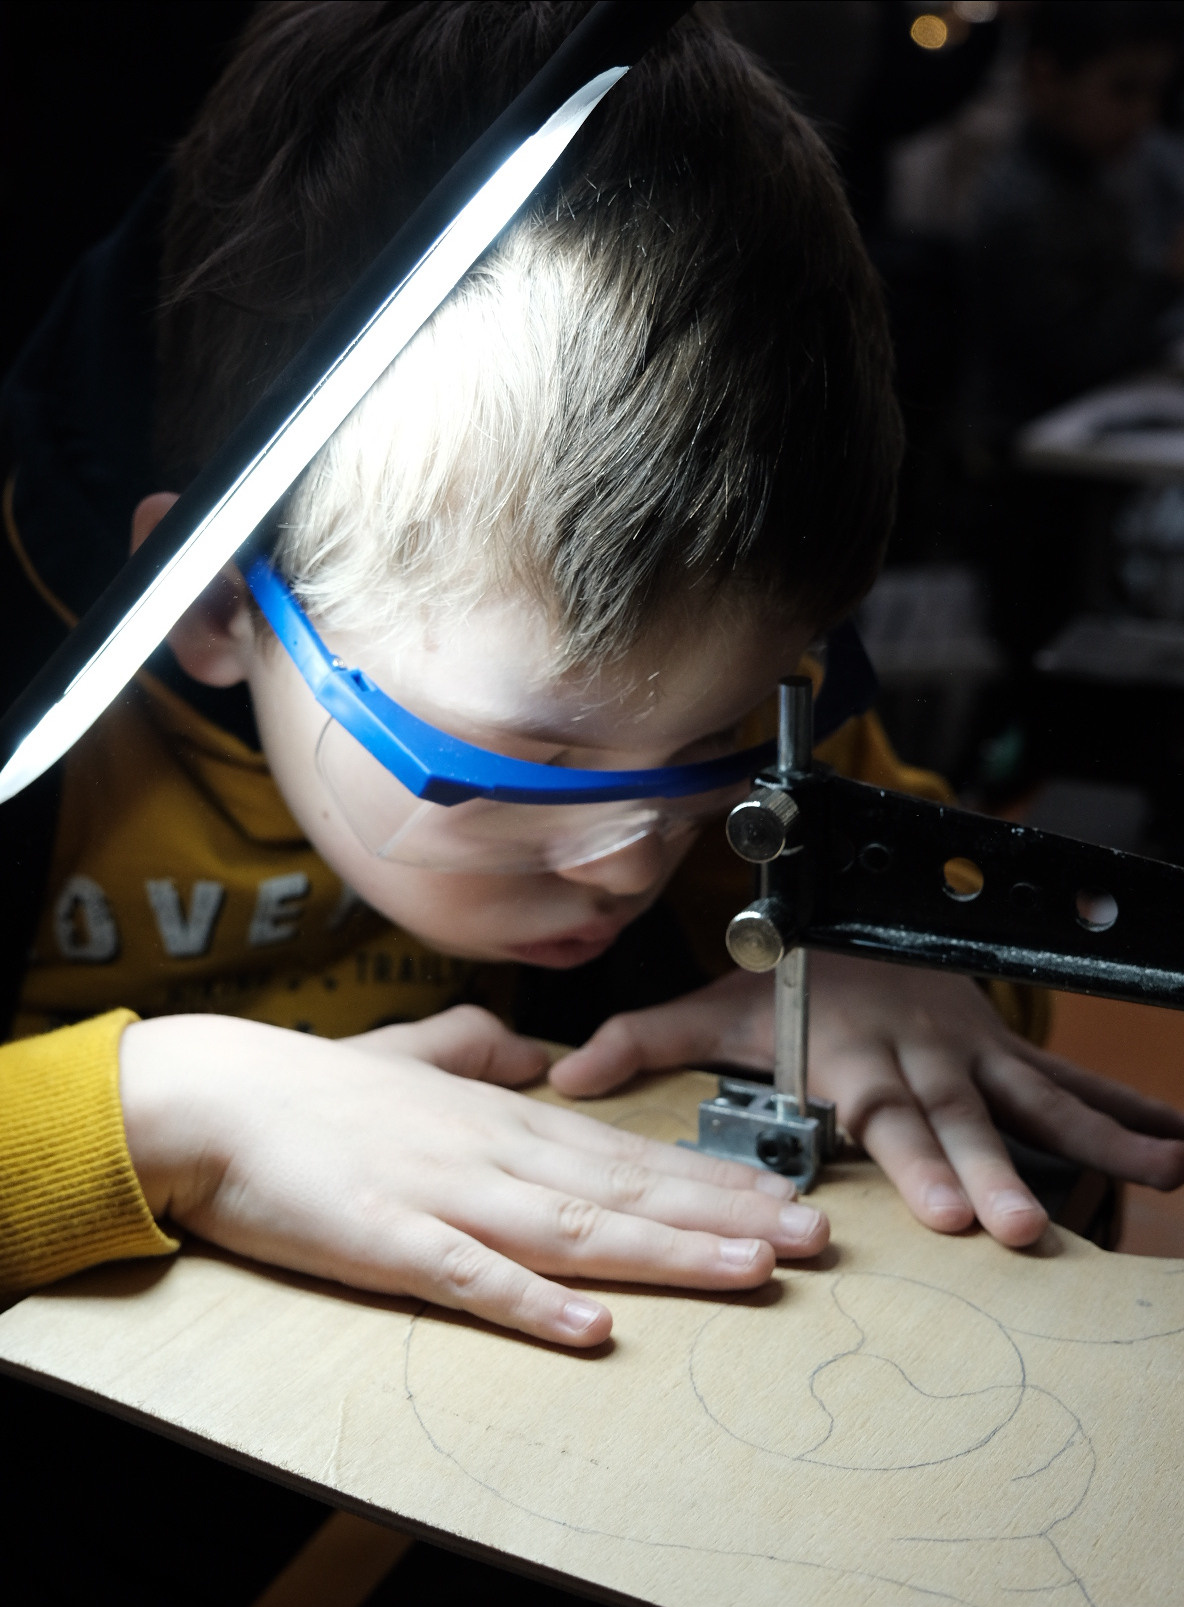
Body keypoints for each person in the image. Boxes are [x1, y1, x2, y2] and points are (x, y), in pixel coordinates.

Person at [3, 2, 1183, 1354]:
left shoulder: (716, 692)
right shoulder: (48, 719)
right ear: (218, 605)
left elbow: (975, 975)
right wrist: (165, 1114)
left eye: (729, 729)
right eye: (542, 757)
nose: (630, 861)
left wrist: (883, 968)